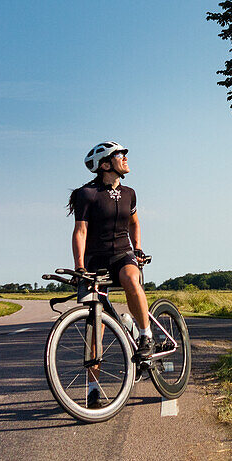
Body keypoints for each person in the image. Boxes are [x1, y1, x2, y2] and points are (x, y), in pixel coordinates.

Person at [68, 141, 153, 376]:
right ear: (105, 164)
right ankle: (93, 389)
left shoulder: (129, 194)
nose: (125, 157)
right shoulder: (87, 194)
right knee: (97, 325)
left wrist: (137, 248)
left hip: (123, 254)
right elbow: (81, 232)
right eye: (119, 154)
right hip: (97, 260)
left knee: (130, 278)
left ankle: (145, 335)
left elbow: (134, 222)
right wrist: (80, 266)